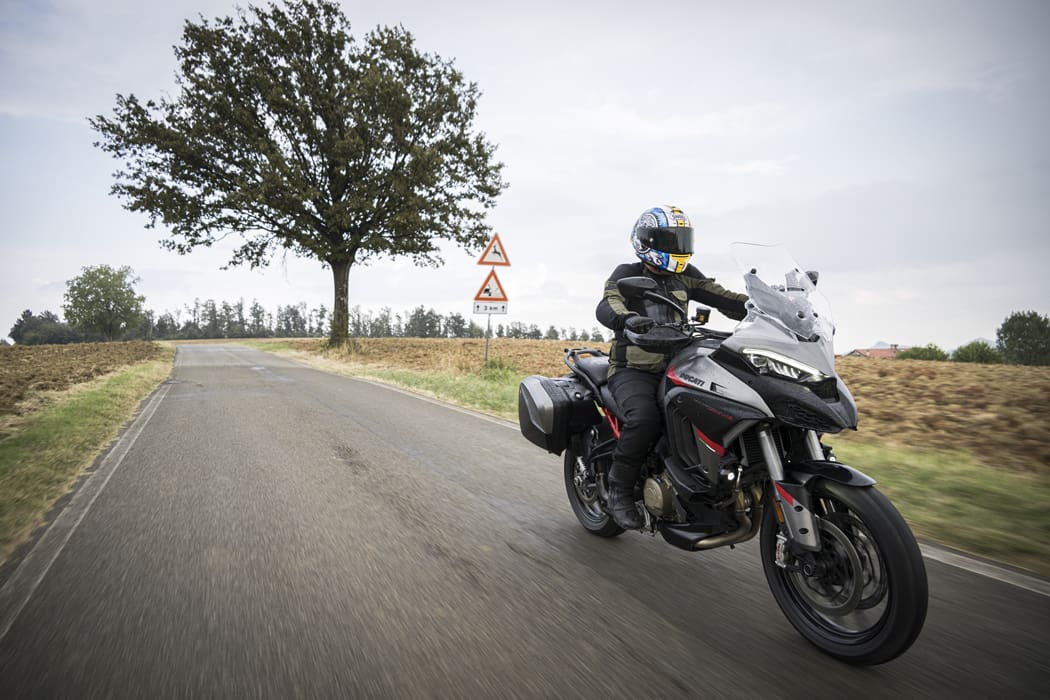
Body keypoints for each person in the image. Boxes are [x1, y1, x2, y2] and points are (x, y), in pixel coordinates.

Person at [595, 205, 749, 529]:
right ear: (646, 241)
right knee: (645, 418)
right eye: (669, 240)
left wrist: (763, 306)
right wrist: (628, 319)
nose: (677, 247)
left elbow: (724, 298)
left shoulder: (686, 275)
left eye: (681, 239)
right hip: (633, 369)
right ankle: (619, 492)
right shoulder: (626, 273)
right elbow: (609, 303)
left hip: (679, 365)